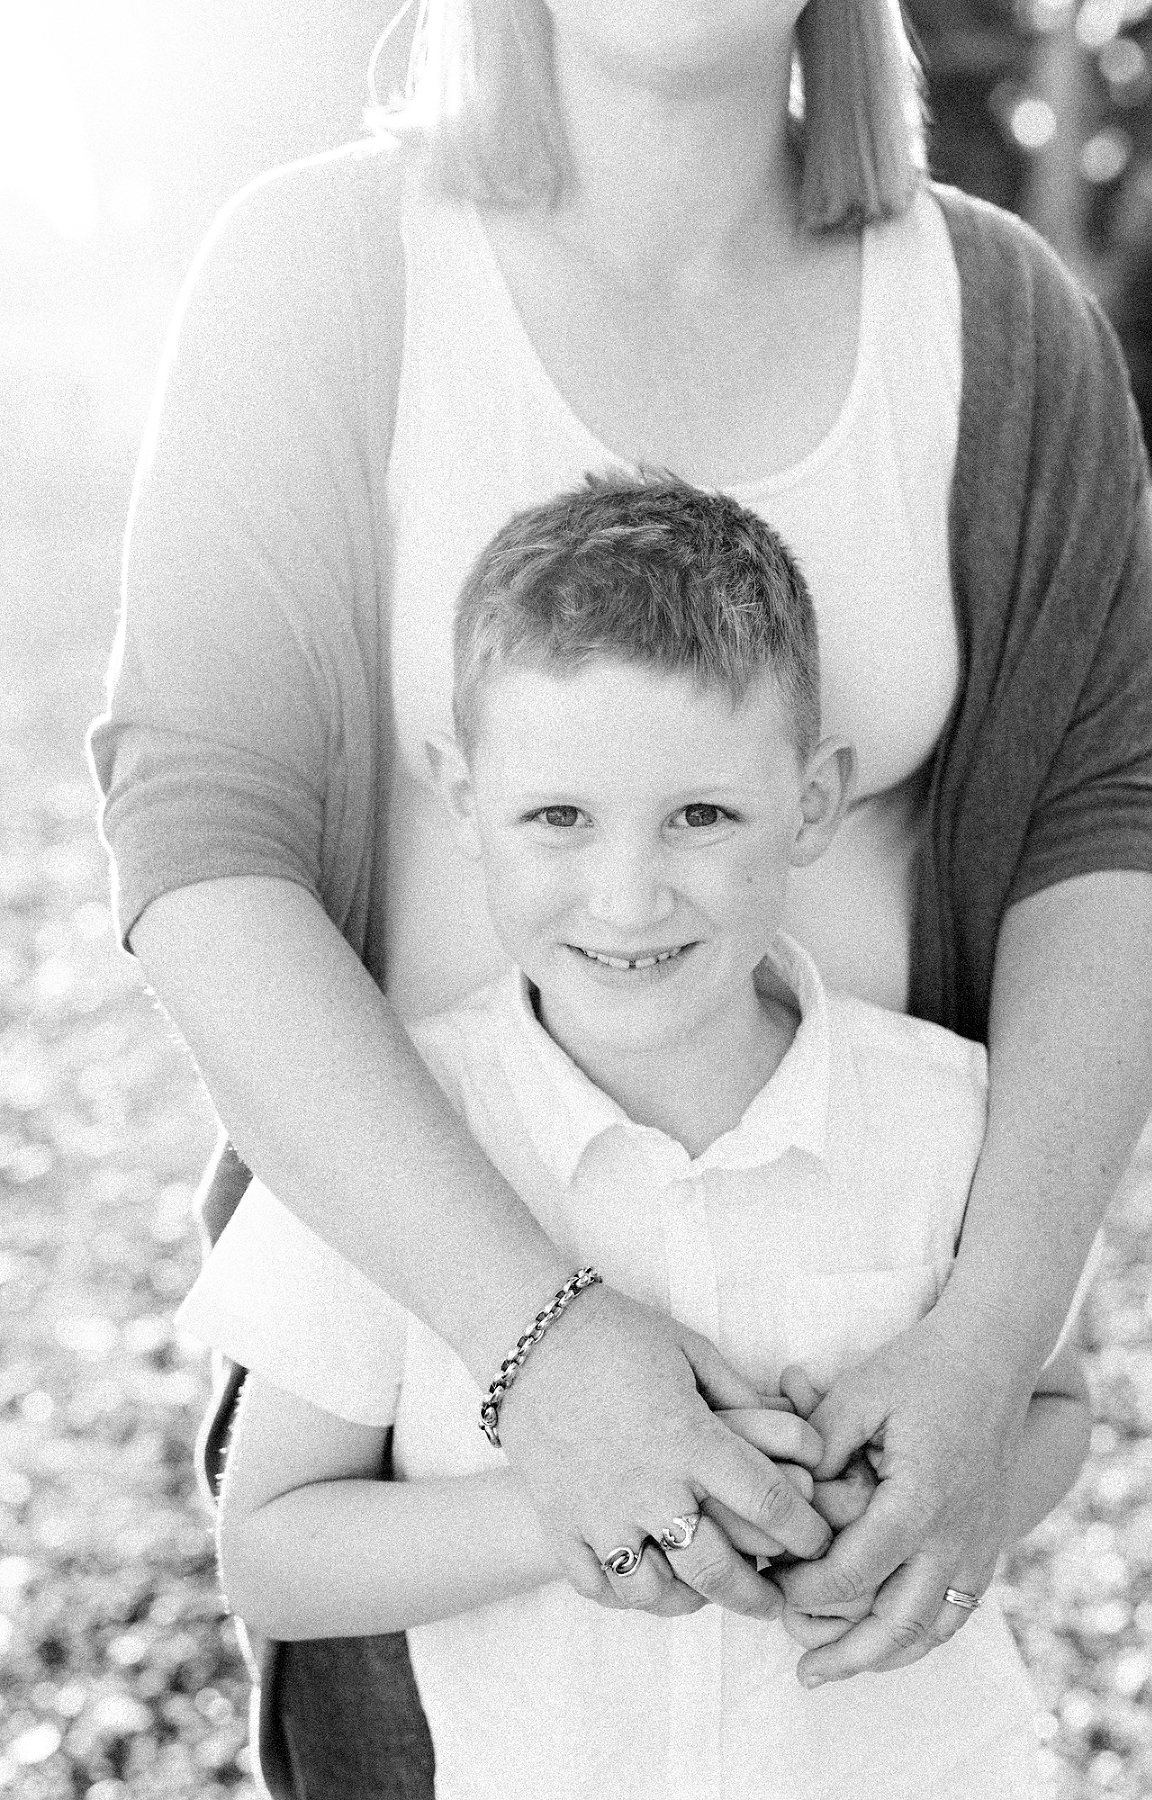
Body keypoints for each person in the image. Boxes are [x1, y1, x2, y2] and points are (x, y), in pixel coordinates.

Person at [88, 0, 1152, 1787]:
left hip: (852, 1367)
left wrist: (989, 1346)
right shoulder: (318, 273)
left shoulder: (999, 319)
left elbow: (1104, 823)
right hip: (437, 1404)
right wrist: (536, 1345)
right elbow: (201, 835)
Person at [178, 474, 1094, 1799]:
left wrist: (927, 1524)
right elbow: (272, 1553)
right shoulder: (392, 1136)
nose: (626, 894)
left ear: (815, 802)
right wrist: (567, 1508)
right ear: (461, 797)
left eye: (702, 815)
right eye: (558, 816)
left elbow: (1054, 1402)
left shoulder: (952, 1113)